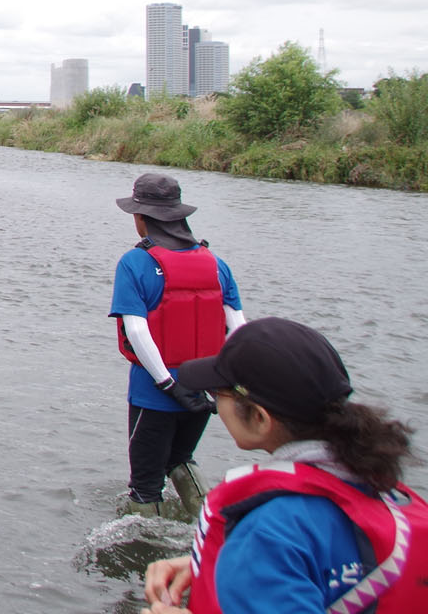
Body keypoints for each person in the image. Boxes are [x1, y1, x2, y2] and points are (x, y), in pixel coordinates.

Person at [142, 318, 424, 614]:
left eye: (216, 393)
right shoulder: (380, 489)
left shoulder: (266, 533)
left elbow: (280, 546)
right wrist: (224, 565)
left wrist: (249, 562)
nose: (214, 403)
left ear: (260, 419)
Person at [110, 173, 245, 519]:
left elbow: (137, 332)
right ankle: (209, 528)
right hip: (205, 389)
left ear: (141, 218)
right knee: (180, 458)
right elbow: (239, 328)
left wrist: (167, 384)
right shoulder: (217, 263)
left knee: (145, 481)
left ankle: (148, 551)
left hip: (154, 392)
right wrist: (224, 383)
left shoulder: (136, 262)